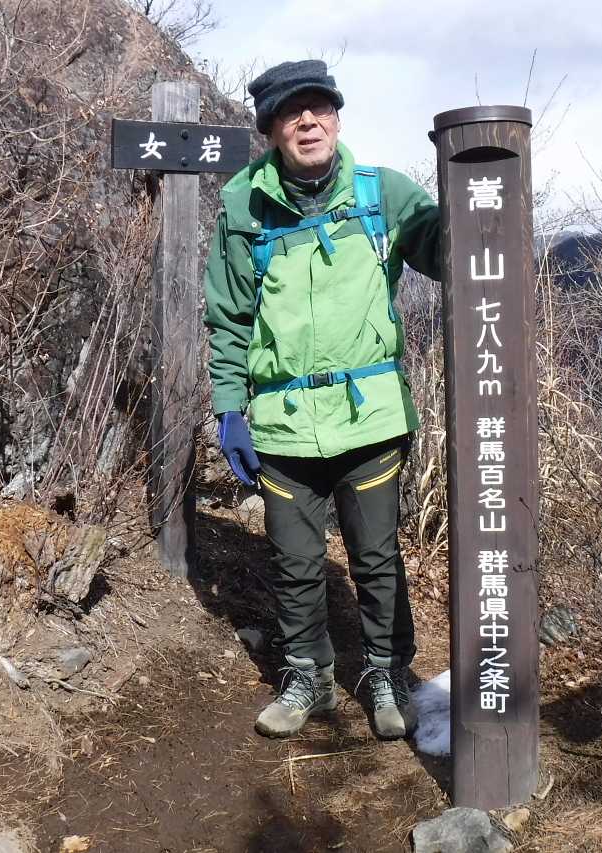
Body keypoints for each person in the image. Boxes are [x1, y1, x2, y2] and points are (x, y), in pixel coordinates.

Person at [202, 59, 441, 739]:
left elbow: (449, 253)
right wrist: (229, 407)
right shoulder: (243, 207)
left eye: (321, 107)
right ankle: (308, 675)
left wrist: (465, 189)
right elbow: (229, 317)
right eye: (291, 112)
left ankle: (388, 673)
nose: (309, 121)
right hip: (283, 424)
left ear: (337, 117)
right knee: (295, 563)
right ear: (271, 129)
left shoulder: (384, 193)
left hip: (370, 418)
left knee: (376, 558)